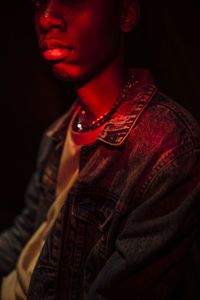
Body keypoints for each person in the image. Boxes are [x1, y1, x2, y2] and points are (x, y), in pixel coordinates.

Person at [0, 0, 200, 299]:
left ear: (126, 14)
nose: (46, 19)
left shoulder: (167, 147)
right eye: (38, 3)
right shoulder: (59, 132)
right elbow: (27, 235)